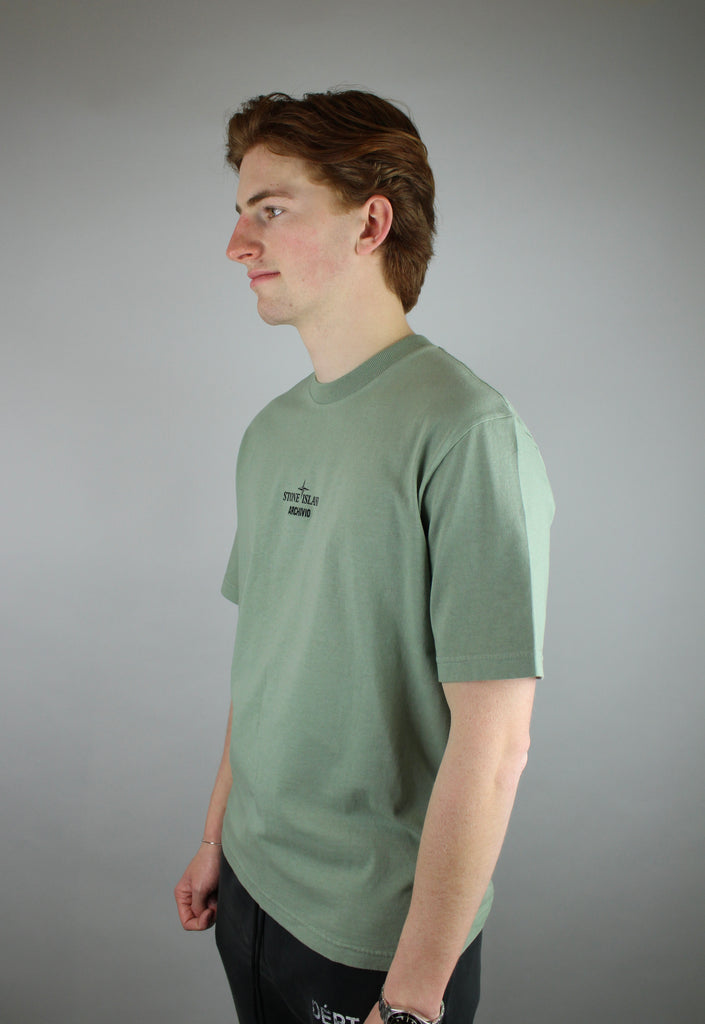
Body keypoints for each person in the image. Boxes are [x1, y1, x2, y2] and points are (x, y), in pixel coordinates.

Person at [175, 89, 554, 1024]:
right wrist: (216, 837)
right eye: (240, 213)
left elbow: (495, 744)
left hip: (374, 943)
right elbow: (266, 661)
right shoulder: (271, 431)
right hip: (250, 888)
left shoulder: (465, 431)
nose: (236, 246)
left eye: (270, 210)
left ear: (370, 224)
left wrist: (414, 999)